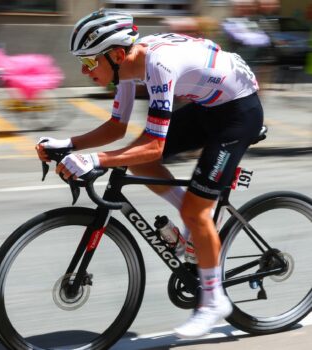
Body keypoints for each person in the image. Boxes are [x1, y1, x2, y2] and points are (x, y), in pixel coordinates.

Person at [36, 9, 264, 339]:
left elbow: (154, 147)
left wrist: (95, 160)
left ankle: (215, 302)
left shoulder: (158, 64)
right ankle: (196, 217)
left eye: (88, 63)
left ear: (114, 54)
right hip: (207, 106)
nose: (85, 72)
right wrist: (69, 144)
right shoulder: (127, 65)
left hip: (238, 114)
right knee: (137, 161)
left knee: (190, 206)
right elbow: (117, 128)